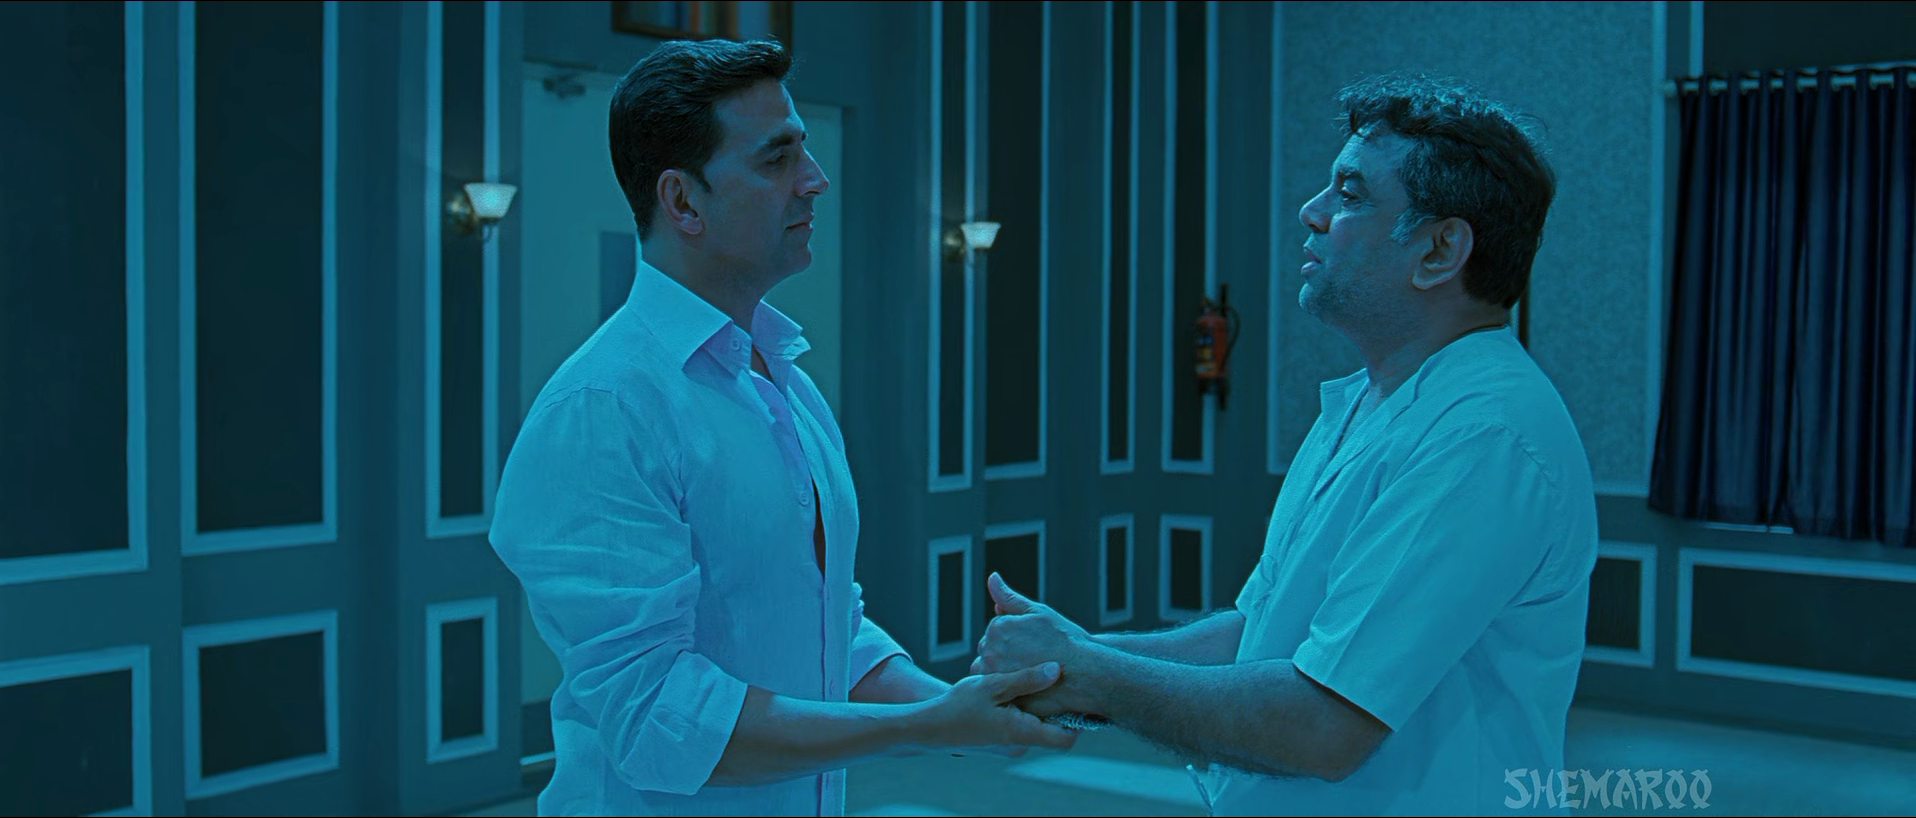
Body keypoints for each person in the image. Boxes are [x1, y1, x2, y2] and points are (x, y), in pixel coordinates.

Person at [971, 73, 1598, 815]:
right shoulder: (1371, 401)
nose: (1312, 211)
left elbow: (1323, 725)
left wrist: (1091, 676)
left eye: (1350, 194)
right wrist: (1072, 659)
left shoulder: (1482, 437)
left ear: (1438, 250)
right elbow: (1259, 637)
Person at [490, 38, 1076, 817]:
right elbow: (660, 718)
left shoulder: (782, 378)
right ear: (683, 202)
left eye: (805, 148)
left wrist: (960, 710)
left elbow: (830, 629)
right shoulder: (604, 409)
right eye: (777, 159)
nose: (815, 179)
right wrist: (927, 727)